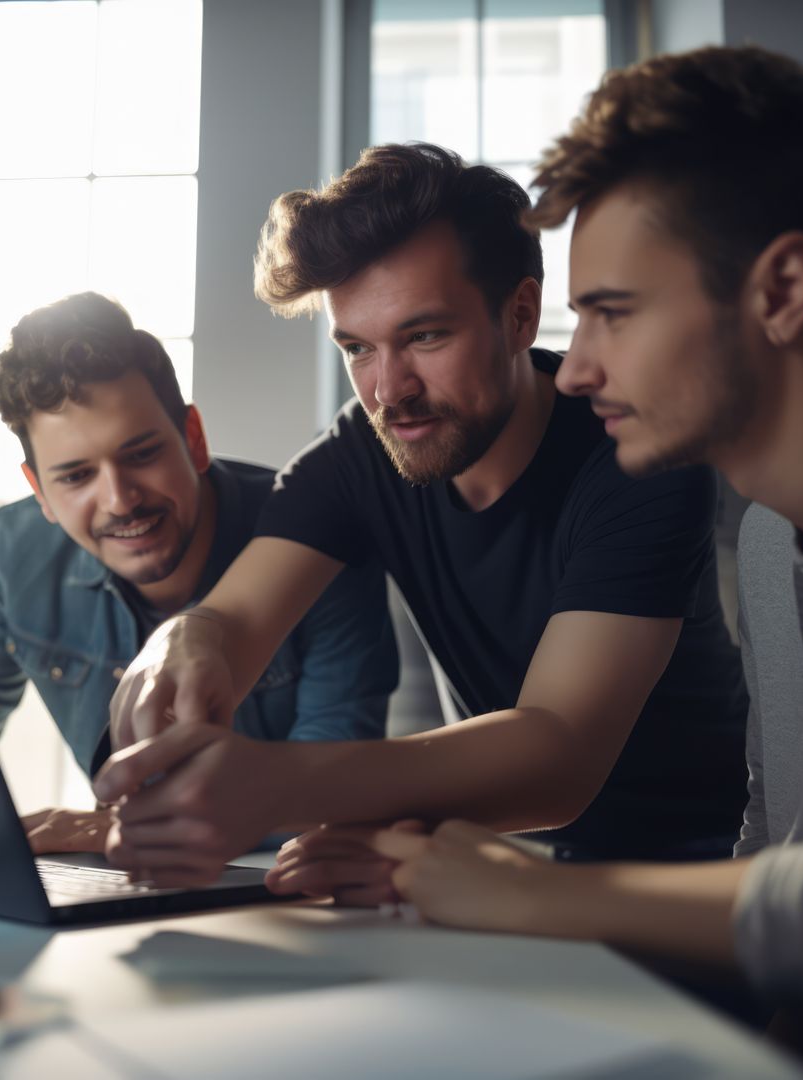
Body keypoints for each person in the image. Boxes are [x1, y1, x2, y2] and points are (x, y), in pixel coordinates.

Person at [365, 46, 803, 1044]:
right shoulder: (770, 538)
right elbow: (778, 860)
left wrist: (543, 901)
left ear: (784, 290)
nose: (579, 369)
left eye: (612, 315)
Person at [93, 143, 748, 893]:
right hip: (491, 856)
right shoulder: (361, 451)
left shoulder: (635, 449)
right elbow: (234, 619)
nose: (388, 390)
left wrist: (277, 785)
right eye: (358, 349)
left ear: (520, 315)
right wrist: (187, 638)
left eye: (425, 336)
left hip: (702, 875)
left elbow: (561, 752)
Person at [0, 292, 397, 855]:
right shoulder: (7, 554)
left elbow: (333, 789)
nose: (120, 500)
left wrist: (116, 831)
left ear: (194, 438)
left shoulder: (314, 537)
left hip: (273, 891)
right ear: (38, 489)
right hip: (121, 883)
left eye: (140, 455)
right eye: (76, 476)